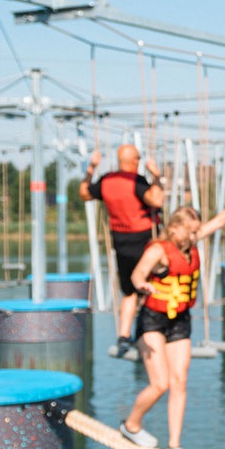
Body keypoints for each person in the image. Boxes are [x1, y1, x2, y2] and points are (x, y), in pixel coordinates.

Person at [119, 187, 225, 449]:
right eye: (190, 232)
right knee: (160, 384)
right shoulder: (159, 249)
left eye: (196, 232)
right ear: (175, 228)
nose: (195, 237)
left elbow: (219, 222)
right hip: (153, 321)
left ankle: (175, 444)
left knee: (179, 382)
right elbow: (137, 272)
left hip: (180, 320)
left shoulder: (188, 244)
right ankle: (131, 425)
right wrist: (141, 283)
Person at [80, 144, 165, 355]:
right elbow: (156, 199)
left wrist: (91, 168)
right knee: (150, 286)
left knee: (129, 292)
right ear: (135, 161)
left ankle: (124, 335)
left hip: (121, 243)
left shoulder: (107, 180)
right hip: (144, 243)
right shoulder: (136, 181)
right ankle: (148, 331)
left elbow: (84, 193)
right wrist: (156, 177)